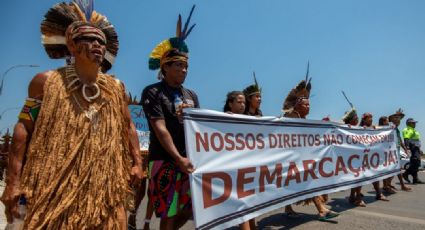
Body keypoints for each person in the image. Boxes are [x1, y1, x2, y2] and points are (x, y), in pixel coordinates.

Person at [0, 1, 144, 228]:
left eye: (101, 41)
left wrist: (137, 162)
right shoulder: (45, 82)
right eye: (89, 39)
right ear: (72, 45)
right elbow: (23, 127)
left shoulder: (116, 88)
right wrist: (12, 182)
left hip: (103, 184)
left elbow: (128, 127)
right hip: (54, 184)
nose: (97, 45)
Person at [141, 6, 199, 230]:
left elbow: (200, 128)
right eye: (179, 65)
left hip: (188, 161)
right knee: (168, 212)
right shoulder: (153, 92)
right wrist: (177, 158)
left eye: (186, 66)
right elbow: (160, 128)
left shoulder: (191, 94)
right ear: (165, 67)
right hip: (164, 161)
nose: (184, 70)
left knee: (189, 210)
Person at [282, 65, 339, 221]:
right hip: (290, 158)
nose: (308, 107)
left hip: (302, 157)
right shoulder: (291, 117)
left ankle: (294, 207)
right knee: (306, 181)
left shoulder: (303, 119)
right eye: (305, 104)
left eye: (309, 104)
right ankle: (320, 209)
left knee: (306, 181)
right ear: (297, 105)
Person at [340, 92, 366, 207]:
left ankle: (352, 196)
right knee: (357, 177)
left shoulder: (358, 128)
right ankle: (357, 198)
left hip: (356, 156)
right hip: (349, 157)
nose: (357, 119)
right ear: (352, 119)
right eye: (356, 117)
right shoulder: (345, 129)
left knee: (356, 177)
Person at [360, 113, 389, 202]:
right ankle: (355, 195)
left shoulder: (373, 128)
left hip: (371, 156)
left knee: (375, 175)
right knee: (360, 177)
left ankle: (378, 194)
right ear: (364, 119)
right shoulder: (358, 130)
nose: (371, 120)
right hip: (361, 156)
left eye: (372, 118)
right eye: (369, 118)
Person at [386, 109, 411, 191]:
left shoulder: (397, 130)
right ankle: (387, 186)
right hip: (389, 152)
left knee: (397, 169)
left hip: (396, 151)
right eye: (396, 119)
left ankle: (389, 184)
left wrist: (405, 149)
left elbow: (400, 140)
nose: (398, 120)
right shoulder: (389, 128)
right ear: (392, 120)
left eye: (399, 119)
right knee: (393, 169)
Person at [402, 118, 424, 184]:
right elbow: (406, 138)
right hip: (412, 147)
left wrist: (419, 149)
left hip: (416, 147)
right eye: (413, 123)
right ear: (408, 123)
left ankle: (415, 179)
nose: (414, 124)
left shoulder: (413, 130)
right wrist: (407, 147)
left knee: (415, 162)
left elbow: (416, 140)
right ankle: (406, 173)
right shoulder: (408, 129)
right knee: (416, 162)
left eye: (414, 123)